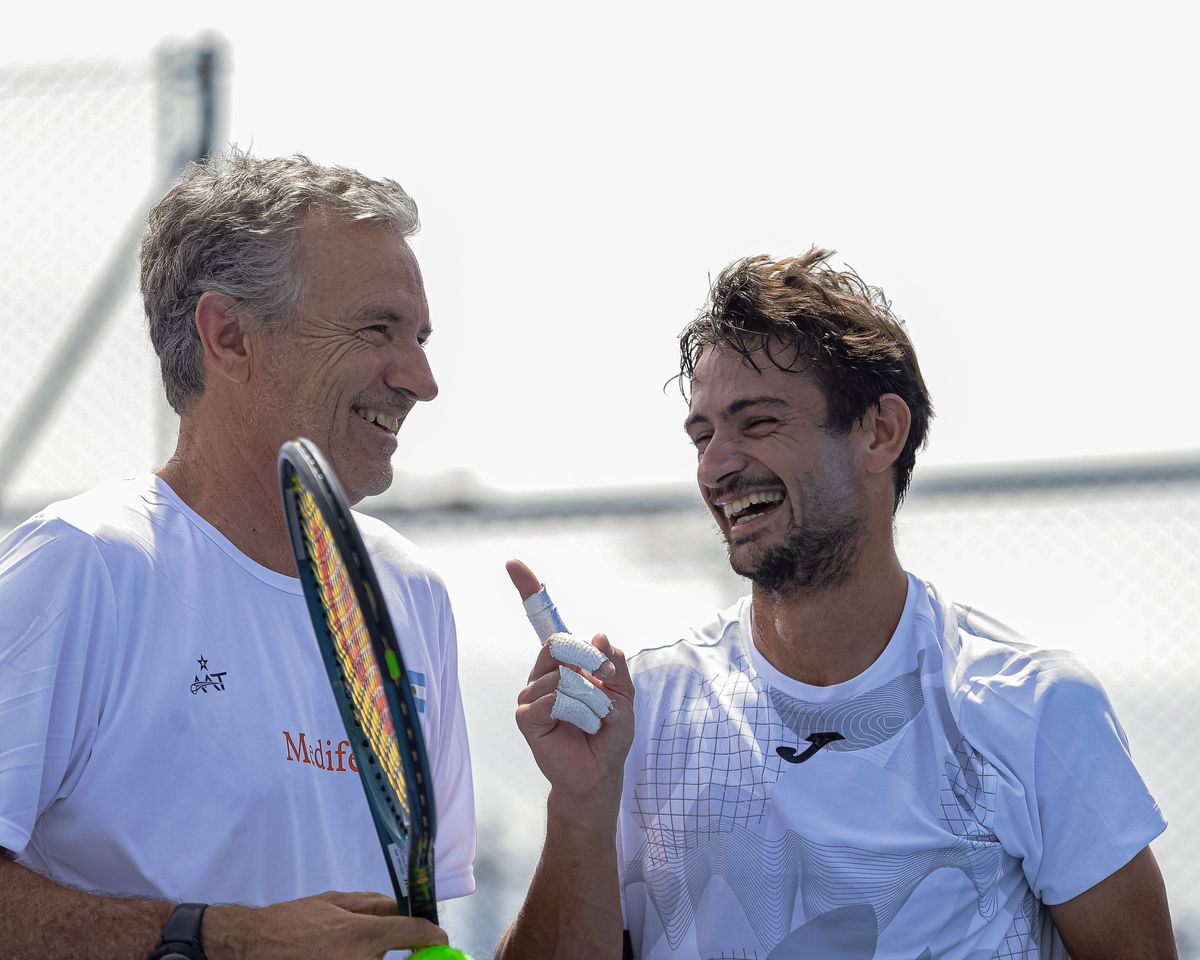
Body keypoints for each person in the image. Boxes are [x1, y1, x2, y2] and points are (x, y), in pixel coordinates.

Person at [495, 249, 1176, 959]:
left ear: (881, 431)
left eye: (756, 423)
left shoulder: (1032, 708)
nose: (716, 464)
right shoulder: (645, 712)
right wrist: (579, 805)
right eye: (703, 435)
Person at [0, 151, 475, 959]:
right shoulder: (80, 567)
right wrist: (219, 940)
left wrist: (580, 804)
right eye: (378, 329)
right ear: (228, 337)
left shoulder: (410, 594)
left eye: (421, 337)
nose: (421, 379)